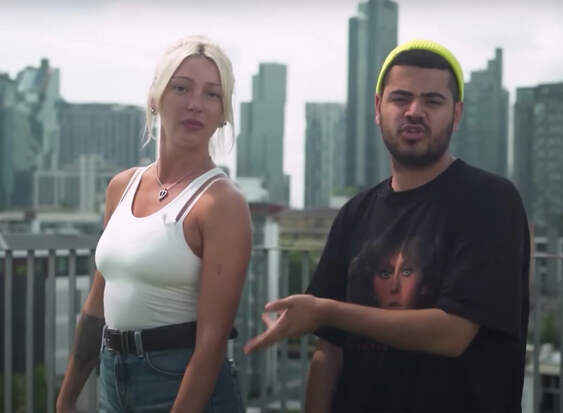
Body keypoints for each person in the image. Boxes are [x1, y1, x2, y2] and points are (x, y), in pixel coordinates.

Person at [245, 39, 530, 412]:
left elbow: (453, 333)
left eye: (432, 101)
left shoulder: (490, 200)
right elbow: (328, 352)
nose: (414, 112)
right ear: (378, 107)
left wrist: (327, 311)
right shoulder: (355, 213)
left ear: (457, 114)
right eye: (401, 98)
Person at [56, 35, 251, 413]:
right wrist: (66, 397)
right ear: (155, 97)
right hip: (112, 377)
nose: (195, 104)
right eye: (181, 88)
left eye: (212, 94)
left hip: (180, 383)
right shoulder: (121, 187)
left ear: (223, 113)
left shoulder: (222, 204)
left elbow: (211, 342)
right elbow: (97, 306)